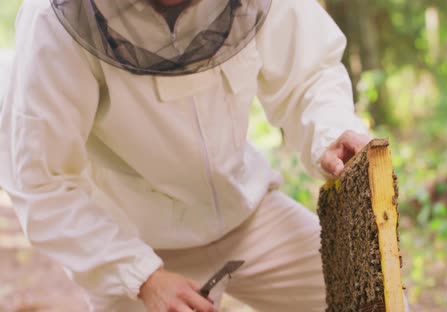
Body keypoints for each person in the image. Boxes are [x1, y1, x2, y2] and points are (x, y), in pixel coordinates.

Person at [0, 0, 374, 311]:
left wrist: (330, 131)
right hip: (136, 244)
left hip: (249, 215)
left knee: (373, 295)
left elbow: (308, 74)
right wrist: (141, 276)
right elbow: (41, 181)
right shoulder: (52, 22)